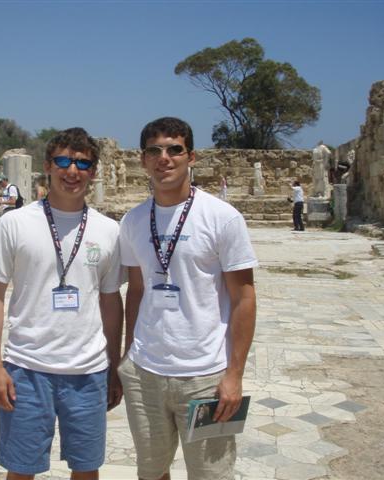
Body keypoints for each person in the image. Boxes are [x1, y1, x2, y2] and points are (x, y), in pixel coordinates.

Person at [0, 127, 124, 479]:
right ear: (47, 166)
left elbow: (110, 301)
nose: (72, 171)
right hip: (26, 369)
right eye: (63, 161)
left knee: (87, 469)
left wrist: (113, 366)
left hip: (88, 372)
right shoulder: (15, 223)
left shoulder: (108, 230)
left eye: (82, 164)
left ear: (93, 172)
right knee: (21, 469)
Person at [117, 117, 258, 480]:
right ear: (143, 159)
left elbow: (243, 297)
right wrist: (128, 354)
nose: (163, 158)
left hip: (205, 376)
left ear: (191, 157)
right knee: (151, 472)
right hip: (145, 374)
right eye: (154, 150)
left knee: (211, 474)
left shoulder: (223, 218)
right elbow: (136, 290)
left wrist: (234, 375)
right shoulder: (133, 221)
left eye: (174, 149)